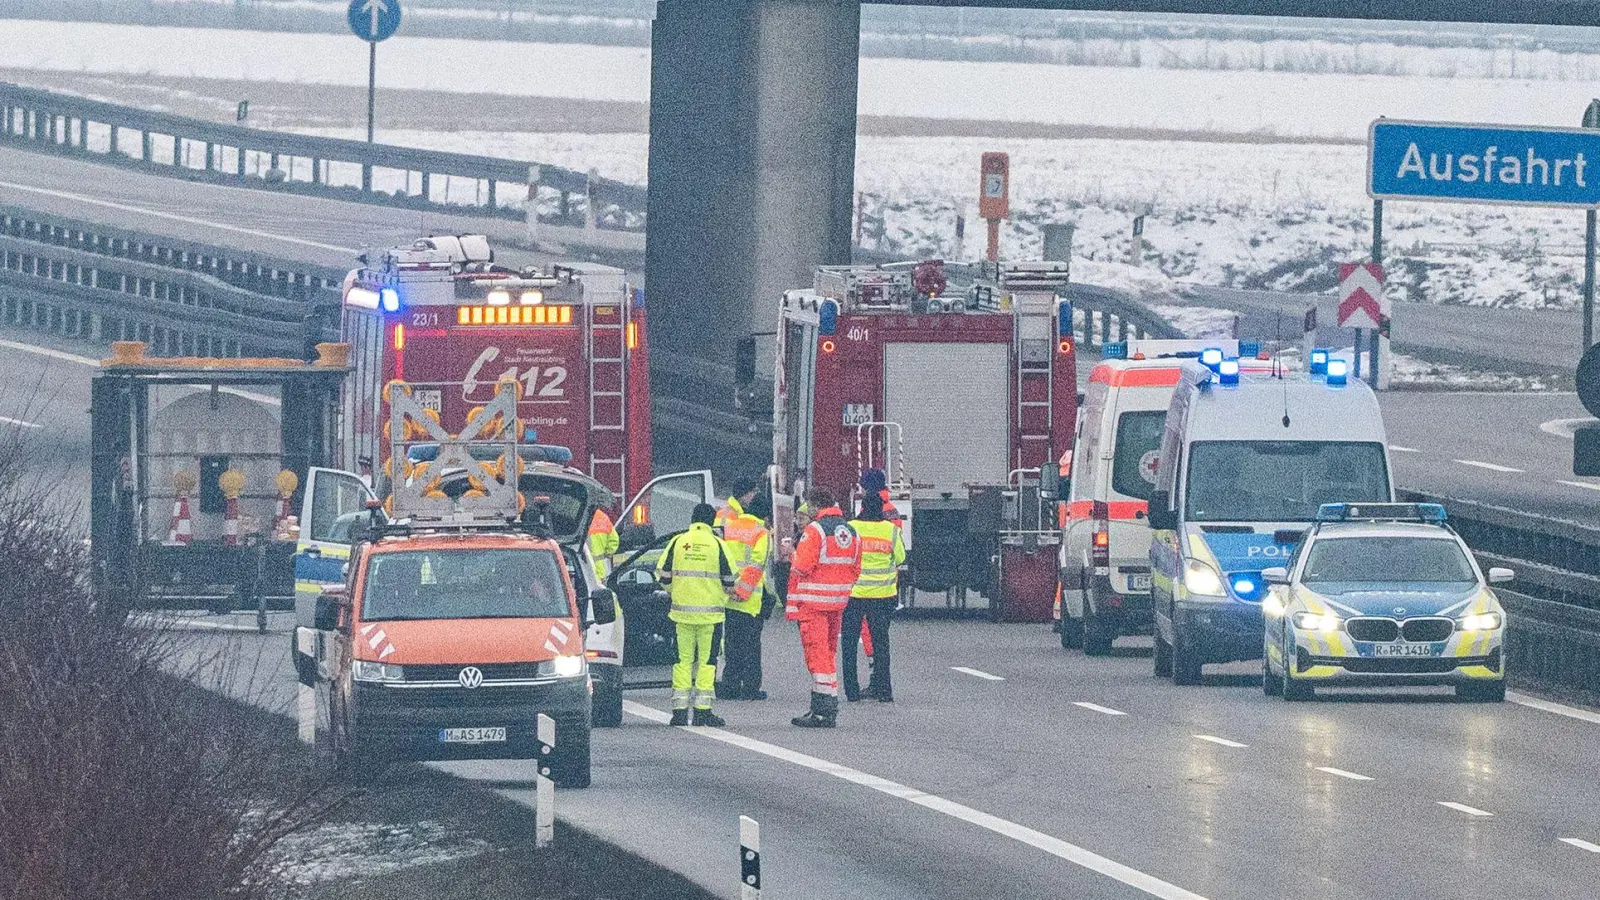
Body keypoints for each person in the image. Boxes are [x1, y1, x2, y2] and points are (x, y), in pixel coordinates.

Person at [785, 488, 862, 728]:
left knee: (818, 658)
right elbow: (856, 569)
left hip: (814, 604)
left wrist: (791, 554)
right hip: (838, 602)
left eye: (808, 505)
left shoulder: (815, 530)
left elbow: (802, 567)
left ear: (816, 506)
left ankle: (823, 710)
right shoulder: (851, 531)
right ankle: (823, 707)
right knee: (828, 655)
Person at [655, 503, 737, 727]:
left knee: (681, 662)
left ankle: (679, 712)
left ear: (692, 519)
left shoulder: (678, 542)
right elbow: (731, 579)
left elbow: (662, 575)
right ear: (711, 522)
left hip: (681, 616)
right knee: (707, 662)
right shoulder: (718, 544)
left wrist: (677, 592)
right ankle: (702, 711)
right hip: (711, 617)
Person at [843, 491, 905, 702]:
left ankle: (851, 692)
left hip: (854, 595)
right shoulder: (891, 530)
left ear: (862, 508)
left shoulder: (852, 528)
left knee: (849, 643)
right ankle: (884, 691)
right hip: (883, 595)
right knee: (881, 644)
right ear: (881, 510)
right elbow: (901, 557)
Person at [718, 488, 773, 701]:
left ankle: (730, 684)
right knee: (751, 646)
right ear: (764, 515)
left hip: (729, 596)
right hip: (749, 600)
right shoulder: (761, 532)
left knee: (732, 643)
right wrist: (743, 592)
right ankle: (750, 687)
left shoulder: (730, 527)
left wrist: (730, 590)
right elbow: (756, 565)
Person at [588, 507, 620, 581]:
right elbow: (614, 540)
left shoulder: (579, 518)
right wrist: (607, 553)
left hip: (585, 571)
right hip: (601, 571)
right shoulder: (602, 517)